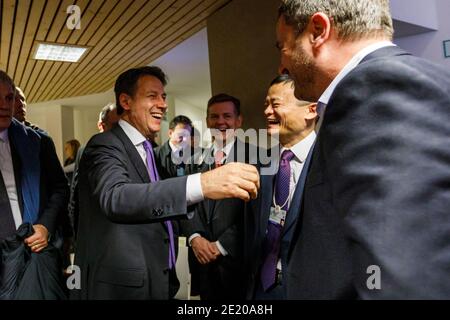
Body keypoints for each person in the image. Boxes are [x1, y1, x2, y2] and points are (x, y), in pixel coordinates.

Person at [276, 0, 450, 299]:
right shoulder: (397, 80)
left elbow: (399, 273)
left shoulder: (376, 85)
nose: (282, 64)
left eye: (283, 45)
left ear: (317, 31)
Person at [73, 66, 259, 300]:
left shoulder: (148, 151)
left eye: (163, 97)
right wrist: (201, 184)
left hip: (158, 280)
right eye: (152, 96)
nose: (163, 104)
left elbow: (161, 204)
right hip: (122, 288)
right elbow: (116, 197)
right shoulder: (104, 145)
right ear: (125, 101)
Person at [245, 75, 317, 300]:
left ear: (311, 110)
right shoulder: (262, 164)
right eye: (266, 104)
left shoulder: (330, 163)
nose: (267, 111)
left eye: (275, 104)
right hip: (261, 287)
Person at [180, 93, 257, 300]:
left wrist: (219, 246)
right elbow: (185, 202)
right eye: (214, 117)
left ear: (238, 121)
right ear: (207, 122)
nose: (220, 122)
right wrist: (195, 238)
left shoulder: (257, 157)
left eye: (227, 116)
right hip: (202, 263)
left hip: (235, 264)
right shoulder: (194, 159)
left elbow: (254, 211)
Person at [0, 70, 69, 298]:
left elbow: (60, 188)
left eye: (9, 98)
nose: (4, 105)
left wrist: (45, 226)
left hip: (33, 251)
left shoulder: (38, 142)